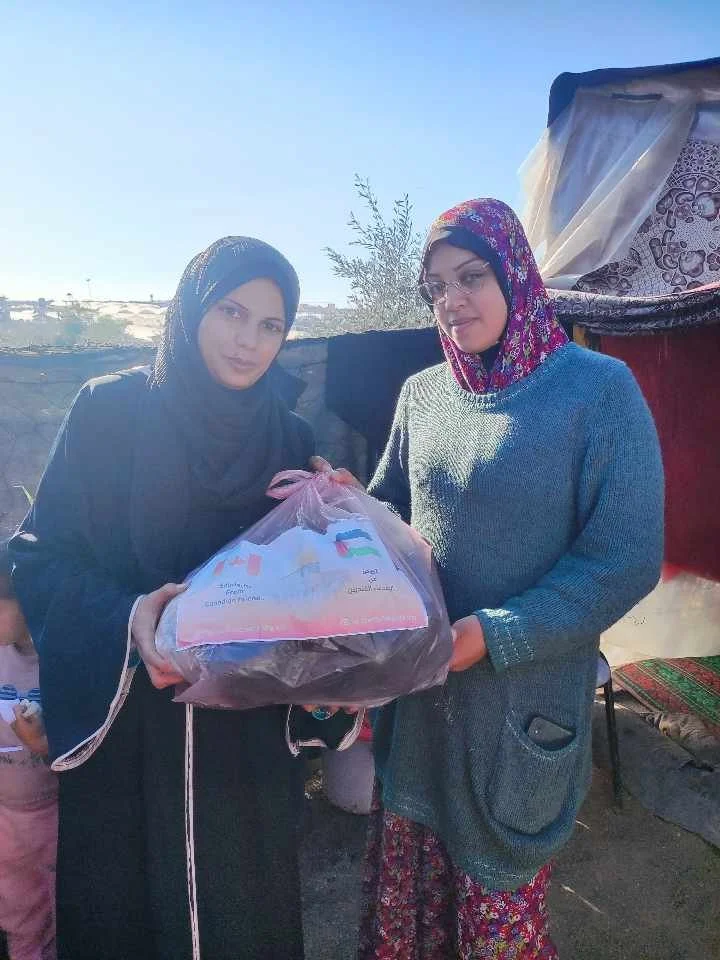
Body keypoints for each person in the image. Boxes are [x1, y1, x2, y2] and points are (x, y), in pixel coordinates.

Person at [9, 237, 353, 960]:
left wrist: (338, 522)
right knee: (127, 912)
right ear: (192, 308)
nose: (248, 340)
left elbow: (304, 582)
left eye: (271, 325)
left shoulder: (288, 436)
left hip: (245, 744)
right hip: (129, 731)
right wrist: (129, 617)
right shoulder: (110, 413)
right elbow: (39, 557)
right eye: (231, 311)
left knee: (242, 916)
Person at [345, 198, 663, 958]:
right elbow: (391, 510)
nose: (452, 301)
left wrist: (493, 633)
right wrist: (344, 508)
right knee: (411, 917)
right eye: (436, 287)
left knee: (497, 924)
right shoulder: (423, 394)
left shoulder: (597, 392)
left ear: (515, 274)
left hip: (515, 715)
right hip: (419, 716)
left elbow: (624, 557)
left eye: (472, 276)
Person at [0, 542, 57, 960]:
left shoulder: (57, 657)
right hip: (6, 818)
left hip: (56, 812)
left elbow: (88, 740)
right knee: (19, 911)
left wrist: (42, 743)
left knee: (64, 902)